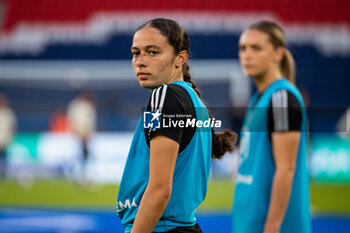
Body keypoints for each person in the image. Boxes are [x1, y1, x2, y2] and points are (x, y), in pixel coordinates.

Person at [117, 18, 237, 233]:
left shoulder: (166, 95)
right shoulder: (194, 101)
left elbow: (161, 189)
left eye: (153, 52)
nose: (140, 61)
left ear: (180, 58)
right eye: (136, 53)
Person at [232, 21, 311, 233]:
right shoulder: (258, 98)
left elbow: (286, 168)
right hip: (248, 220)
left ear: (278, 54)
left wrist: (273, 225)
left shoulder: (282, 97)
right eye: (243, 48)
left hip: (269, 225)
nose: (247, 55)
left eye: (256, 48)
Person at [67, 91, 97, 184]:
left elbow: (90, 122)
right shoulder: (76, 106)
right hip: (77, 135)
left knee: (86, 156)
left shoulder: (89, 107)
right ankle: (76, 176)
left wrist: (88, 132)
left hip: (86, 135)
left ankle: (86, 176)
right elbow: (72, 120)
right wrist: (78, 132)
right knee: (78, 155)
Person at [0, 93, 16, 179]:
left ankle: (4, 175)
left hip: (5, 141)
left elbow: (12, 127)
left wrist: (11, 138)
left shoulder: (8, 113)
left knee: (5, 159)